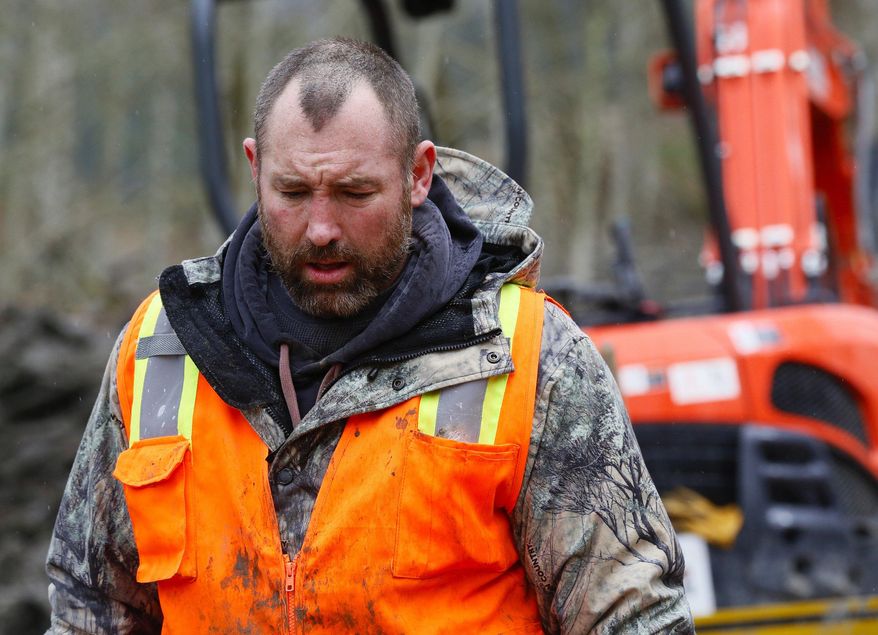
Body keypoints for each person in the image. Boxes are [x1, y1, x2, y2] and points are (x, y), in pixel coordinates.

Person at [46, 37, 693, 634]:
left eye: (354, 192)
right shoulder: (162, 348)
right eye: (293, 191)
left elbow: (632, 614)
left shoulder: (526, 355)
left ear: (418, 175)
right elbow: (88, 605)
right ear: (254, 167)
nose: (321, 226)